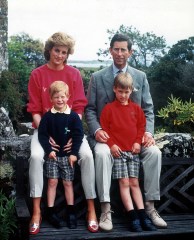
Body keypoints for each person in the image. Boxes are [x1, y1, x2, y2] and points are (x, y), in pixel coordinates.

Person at [85, 33, 167, 231]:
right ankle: (105, 209)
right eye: (116, 49)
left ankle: (149, 207)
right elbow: (90, 109)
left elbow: (147, 109)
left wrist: (147, 134)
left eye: (124, 49)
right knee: (102, 153)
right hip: (108, 137)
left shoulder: (140, 77)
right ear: (110, 50)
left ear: (130, 52)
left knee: (154, 153)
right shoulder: (97, 77)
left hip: (135, 139)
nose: (120, 53)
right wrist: (96, 130)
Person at [27, 32, 98, 235]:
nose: (59, 55)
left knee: (87, 155)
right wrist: (45, 132)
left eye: (64, 52)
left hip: (70, 132)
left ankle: (91, 210)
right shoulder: (37, 74)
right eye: (56, 50)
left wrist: (70, 138)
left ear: (68, 54)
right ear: (49, 50)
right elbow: (34, 110)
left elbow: (78, 108)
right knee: (35, 156)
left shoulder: (74, 74)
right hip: (44, 130)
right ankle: (36, 213)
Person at [100, 72, 156, 232]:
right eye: (120, 91)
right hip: (118, 152)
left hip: (133, 151)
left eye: (126, 92)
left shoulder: (136, 109)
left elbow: (141, 127)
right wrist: (111, 144)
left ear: (131, 90)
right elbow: (105, 129)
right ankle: (132, 216)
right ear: (114, 89)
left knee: (134, 183)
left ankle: (142, 215)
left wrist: (138, 142)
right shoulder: (108, 109)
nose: (123, 95)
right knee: (124, 183)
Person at [38, 81, 83, 229]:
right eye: (56, 97)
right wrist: (49, 150)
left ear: (68, 97)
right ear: (51, 98)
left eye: (63, 96)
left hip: (68, 156)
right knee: (52, 182)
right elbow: (43, 136)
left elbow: (78, 135)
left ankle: (71, 212)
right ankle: (50, 212)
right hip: (53, 156)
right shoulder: (47, 117)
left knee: (68, 183)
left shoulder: (74, 117)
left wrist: (74, 153)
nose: (60, 100)